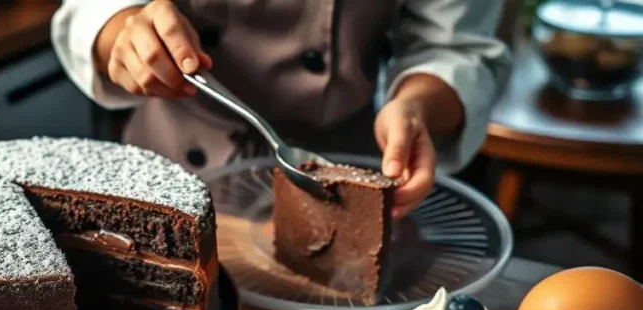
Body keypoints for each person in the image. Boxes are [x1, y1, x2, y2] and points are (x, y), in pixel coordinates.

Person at [52, 0, 511, 217]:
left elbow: (454, 47)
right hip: (170, 160)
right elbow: (94, 10)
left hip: (343, 172)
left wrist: (416, 106)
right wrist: (123, 30)